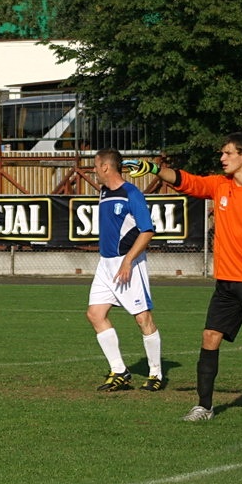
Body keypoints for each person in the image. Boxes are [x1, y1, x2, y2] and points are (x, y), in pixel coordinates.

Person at [126, 131, 242, 422]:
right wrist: (154, 169)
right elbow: (187, 181)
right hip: (227, 283)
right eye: (222, 154)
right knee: (209, 337)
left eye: (228, 153)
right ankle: (204, 406)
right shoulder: (219, 186)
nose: (222, 158)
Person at [87, 148, 164, 392]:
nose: (94, 170)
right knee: (95, 314)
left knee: (143, 318)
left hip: (128, 263)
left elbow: (147, 231)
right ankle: (120, 371)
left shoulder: (132, 194)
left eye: (96, 166)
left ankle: (156, 374)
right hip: (105, 264)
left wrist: (128, 260)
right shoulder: (103, 192)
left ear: (106, 167)